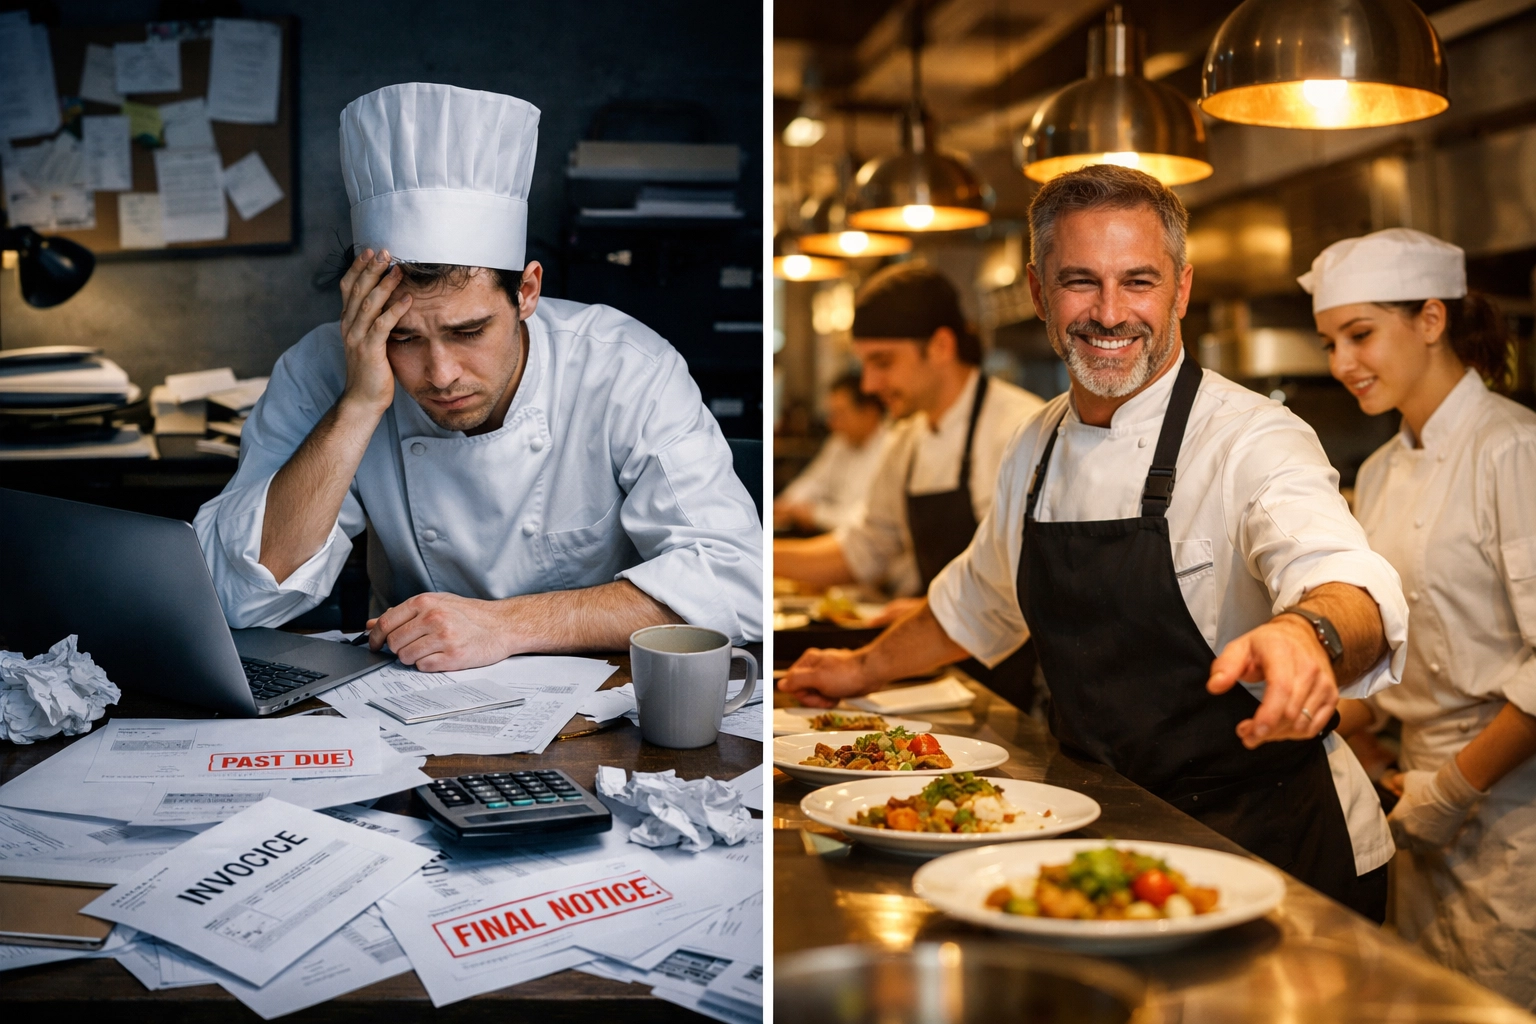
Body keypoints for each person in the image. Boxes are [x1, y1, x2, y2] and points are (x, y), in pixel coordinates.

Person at [780, 165, 1409, 920]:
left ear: (1181, 290)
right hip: (1102, 824)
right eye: (1080, 282)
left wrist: (1309, 633)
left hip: (1272, 836)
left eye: (1139, 281)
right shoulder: (1036, 443)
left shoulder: (1253, 438)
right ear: (1039, 292)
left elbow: (1345, 578)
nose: (1110, 313)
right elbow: (975, 601)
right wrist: (857, 669)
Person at [194, 84, 762, 671]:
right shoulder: (321, 369)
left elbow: (738, 580)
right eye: (403, 338)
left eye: (468, 332)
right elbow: (237, 596)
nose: (441, 375)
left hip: (603, 693)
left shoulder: (626, 369)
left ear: (527, 292)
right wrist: (358, 405)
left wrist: (505, 625)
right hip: (408, 684)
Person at [1310, 229, 1536, 1006]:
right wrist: (1320, 715)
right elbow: (1399, 648)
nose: (1341, 363)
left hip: (1512, 810)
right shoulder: (1377, 470)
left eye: (1360, 334)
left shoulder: (1514, 449)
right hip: (1411, 802)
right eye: (1330, 342)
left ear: (1432, 319)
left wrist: (1454, 788)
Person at [774, 263, 1044, 605]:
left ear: (941, 346)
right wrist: (763, 557)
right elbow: (864, 548)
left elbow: (1027, 580)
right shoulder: (907, 440)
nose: (869, 385)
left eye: (883, 362)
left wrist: (925, 614)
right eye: (865, 365)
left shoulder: (1020, 429)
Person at [774, 373, 889, 535]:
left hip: (858, 539)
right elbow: (813, 481)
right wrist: (787, 503)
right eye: (832, 414)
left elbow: (864, 519)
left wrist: (814, 514)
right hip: (828, 532)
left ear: (869, 413)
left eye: (840, 414)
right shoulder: (839, 442)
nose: (831, 423)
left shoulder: (890, 449)